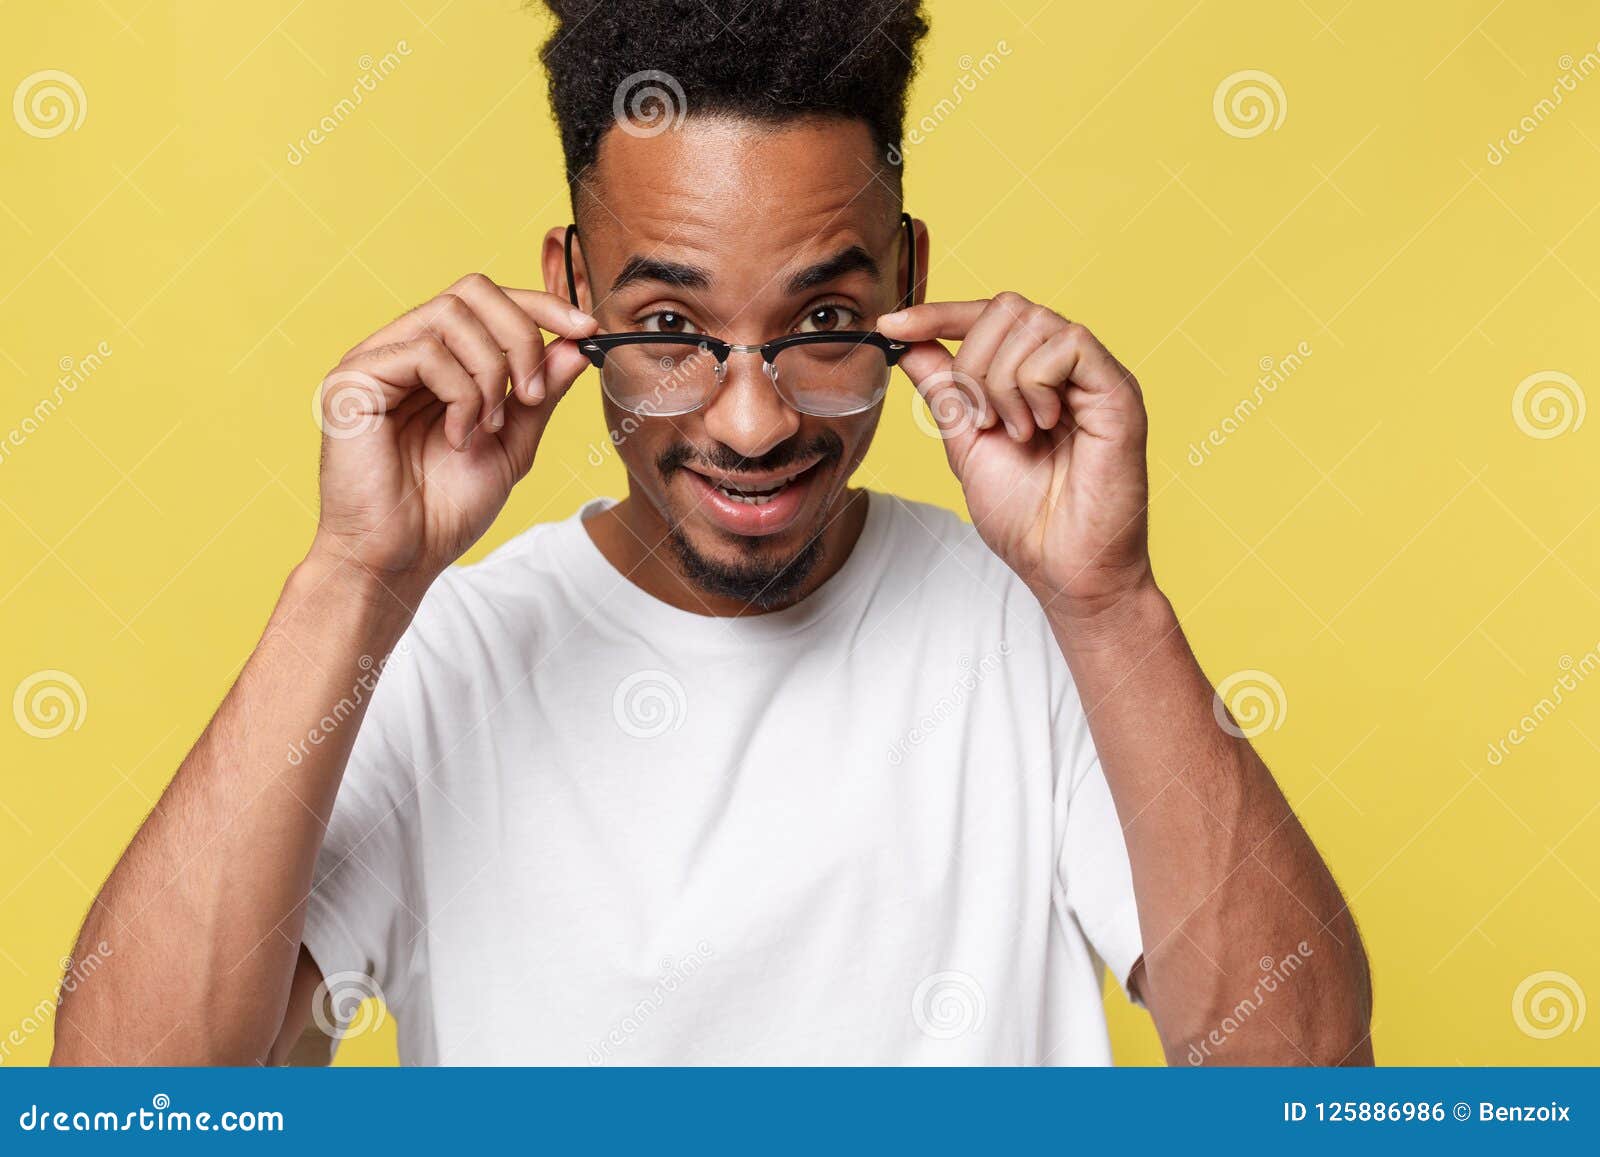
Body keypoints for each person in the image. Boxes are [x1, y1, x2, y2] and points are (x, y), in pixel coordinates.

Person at [53, 0, 1370, 1066]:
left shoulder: (1043, 634)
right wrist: (352, 575)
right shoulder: (443, 655)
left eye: (822, 321)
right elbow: (128, 1101)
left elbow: (1305, 1089)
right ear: (570, 290)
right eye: (674, 331)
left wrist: (1111, 602)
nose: (752, 420)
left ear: (908, 280)